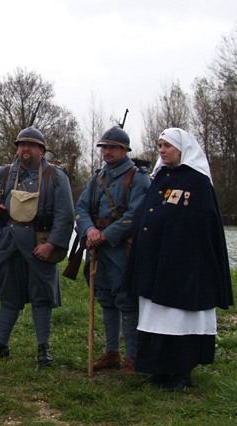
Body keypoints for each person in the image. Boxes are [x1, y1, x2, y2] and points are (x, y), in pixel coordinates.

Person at [124, 127, 233, 392]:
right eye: (160, 145)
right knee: (154, 315)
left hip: (184, 265)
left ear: (182, 149)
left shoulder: (196, 182)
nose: (161, 150)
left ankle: (181, 372)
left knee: (179, 317)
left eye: (167, 146)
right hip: (155, 262)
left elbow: (201, 223)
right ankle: (160, 369)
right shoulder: (160, 178)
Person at [0, 126, 74, 365]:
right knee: (8, 296)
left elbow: (65, 216)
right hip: (7, 245)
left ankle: (43, 349)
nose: (25, 149)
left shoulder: (56, 176)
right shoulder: (4, 173)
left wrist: (51, 246)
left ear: (42, 150)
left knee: (42, 298)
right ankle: (1, 345)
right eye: (21, 144)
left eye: (31, 145)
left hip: (39, 246)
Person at [74, 126, 150, 374]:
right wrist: (89, 231)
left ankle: (134, 357)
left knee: (126, 301)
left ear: (125, 150)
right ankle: (112, 353)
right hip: (96, 247)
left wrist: (106, 235)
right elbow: (81, 208)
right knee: (106, 299)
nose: (107, 152)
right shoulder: (97, 178)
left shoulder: (138, 178)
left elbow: (135, 216)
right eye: (104, 147)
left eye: (112, 147)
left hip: (121, 249)